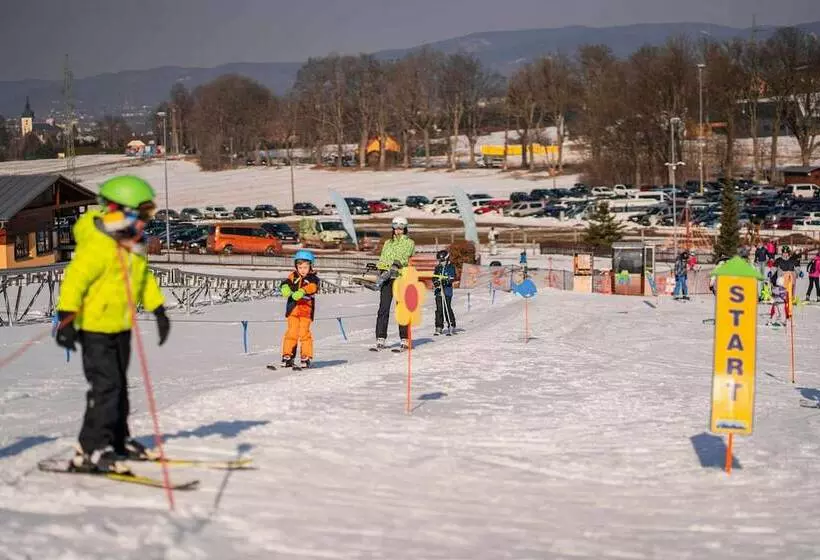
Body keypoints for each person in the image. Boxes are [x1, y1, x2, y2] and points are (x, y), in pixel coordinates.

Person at [55, 175, 170, 474]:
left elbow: (144, 279)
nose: (146, 222)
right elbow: (74, 281)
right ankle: (89, 449)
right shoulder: (97, 244)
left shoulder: (132, 244)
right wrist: (66, 319)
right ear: (118, 211)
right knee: (106, 388)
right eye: (141, 215)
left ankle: (118, 440)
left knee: (119, 387)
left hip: (120, 326)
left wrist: (158, 309)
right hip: (94, 328)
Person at [373, 216, 415, 350]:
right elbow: (383, 257)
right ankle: (380, 338)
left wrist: (396, 264)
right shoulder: (388, 243)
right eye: (396, 228)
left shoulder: (409, 242)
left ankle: (405, 338)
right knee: (383, 309)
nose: (398, 231)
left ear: (405, 229)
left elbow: (404, 256)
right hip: (386, 278)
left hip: (400, 277)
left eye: (401, 228)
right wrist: (380, 267)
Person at [279, 250, 320, 369]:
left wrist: (303, 291)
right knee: (291, 333)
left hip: (305, 311)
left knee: (304, 334)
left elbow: (313, 287)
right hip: (293, 310)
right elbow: (285, 283)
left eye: (305, 267)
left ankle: (306, 357)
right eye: (300, 267)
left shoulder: (313, 278)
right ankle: (287, 356)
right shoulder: (293, 276)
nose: (302, 269)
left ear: (310, 266)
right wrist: (285, 287)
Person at [433, 249, 457, 336]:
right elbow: (434, 277)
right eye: (439, 261)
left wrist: (446, 281)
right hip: (439, 291)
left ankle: (451, 325)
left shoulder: (451, 267)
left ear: (447, 259)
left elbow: (452, 277)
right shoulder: (437, 268)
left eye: (442, 261)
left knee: (447, 307)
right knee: (439, 309)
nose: (440, 262)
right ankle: (439, 326)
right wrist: (436, 282)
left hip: (447, 291)